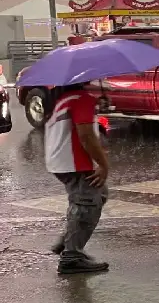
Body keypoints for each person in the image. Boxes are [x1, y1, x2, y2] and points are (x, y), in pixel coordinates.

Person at [45, 82, 110, 274]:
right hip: (74, 161)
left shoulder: (66, 98)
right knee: (88, 203)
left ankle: (68, 242)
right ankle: (71, 257)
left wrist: (96, 106)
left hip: (60, 160)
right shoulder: (81, 99)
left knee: (99, 194)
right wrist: (104, 165)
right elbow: (86, 136)